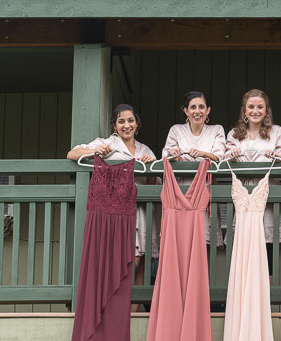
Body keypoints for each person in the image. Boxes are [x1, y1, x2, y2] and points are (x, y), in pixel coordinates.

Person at [67, 104, 156, 310]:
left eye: (131, 120)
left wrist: (150, 165)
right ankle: (118, 311)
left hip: (142, 210)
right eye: (121, 121)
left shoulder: (145, 149)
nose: (127, 125)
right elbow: (72, 154)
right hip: (119, 211)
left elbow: (154, 184)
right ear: (115, 125)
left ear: (137, 123)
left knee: (142, 261)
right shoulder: (107, 143)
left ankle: (132, 315)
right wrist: (94, 151)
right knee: (129, 261)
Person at [224, 89, 281, 248]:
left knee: (267, 242)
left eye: (260, 107)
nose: (255, 111)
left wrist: (276, 155)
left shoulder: (276, 132)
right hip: (244, 193)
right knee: (244, 243)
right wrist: (231, 155)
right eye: (251, 107)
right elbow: (224, 158)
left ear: (266, 110)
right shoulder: (234, 134)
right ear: (244, 110)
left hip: (267, 190)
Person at [162, 91, 226, 246]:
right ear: (186, 111)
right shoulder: (176, 130)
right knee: (181, 241)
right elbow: (165, 154)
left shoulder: (216, 130)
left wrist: (202, 154)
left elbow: (220, 157)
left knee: (204, 241)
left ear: (208, 110)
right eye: (193, 107)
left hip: (204, 191)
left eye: (201, 107)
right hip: (181, 192)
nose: (197, 111)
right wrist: (174, 154)